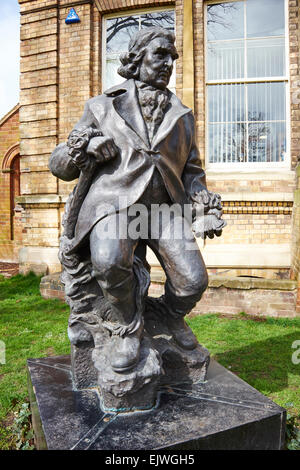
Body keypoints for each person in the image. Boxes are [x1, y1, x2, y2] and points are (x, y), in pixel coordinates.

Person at [49, 27, 222, 374]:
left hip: (161, 210)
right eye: (160, 54)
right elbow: (59, 166)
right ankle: (127, 327)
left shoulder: (182, 115)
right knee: (109, 260)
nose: (168, 63)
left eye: (172, 57)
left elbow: (191, 171)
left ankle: (168, 319)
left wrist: (202, 203)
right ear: (137, 57)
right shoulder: (102, 106)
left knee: (193, 280)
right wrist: (85, 147)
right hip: (113, 206)